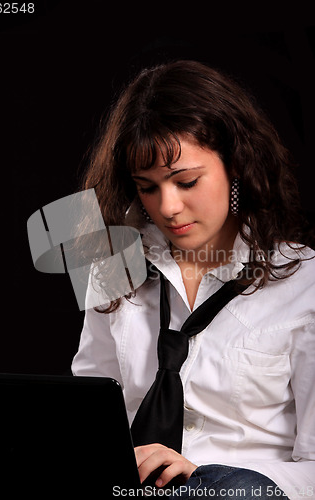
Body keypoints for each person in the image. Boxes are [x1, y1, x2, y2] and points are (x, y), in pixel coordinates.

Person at [71, 60, 315, 499]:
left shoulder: (306, 282)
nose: (168, 208)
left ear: (237, 165)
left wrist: (207, 476)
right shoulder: (112, 265)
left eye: (186, 181)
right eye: (147, 187)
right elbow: (88, 417)